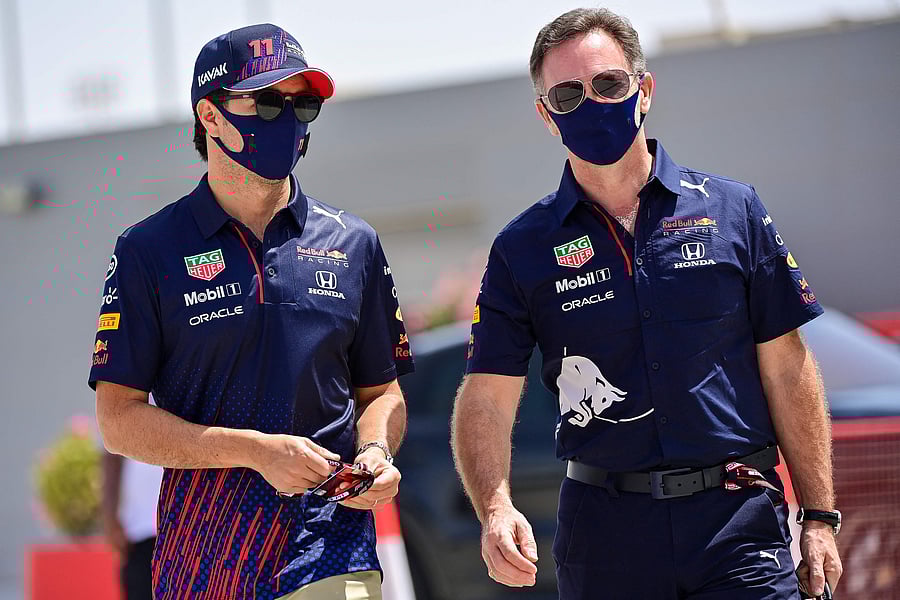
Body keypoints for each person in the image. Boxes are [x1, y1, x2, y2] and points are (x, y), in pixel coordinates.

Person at [451, 7, 841, 600]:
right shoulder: (521, 248)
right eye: (567, 94)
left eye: (608, 84)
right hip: (606, 534)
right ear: (546, 116)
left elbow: (789, 370)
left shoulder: (735, 211)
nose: (592, 104)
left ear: (644, 89)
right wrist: (496, 507)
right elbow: (485, 396)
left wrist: (818, 517)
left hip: (737, 523)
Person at [90, 23, 414, 600]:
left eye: (303, 103)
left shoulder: (353, 243)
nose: (287, 119)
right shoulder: (148, 250)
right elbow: (119, 421)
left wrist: (374, 453)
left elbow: (381, 394)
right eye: (266, 102)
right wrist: (253, 452)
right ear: (210, 117)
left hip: (330, 548)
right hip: (205, 560)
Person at [101, 395, 164, 600]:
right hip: (139, 530)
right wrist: (110, 517)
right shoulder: (131, 387)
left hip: (184, 527)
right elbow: (111, 457)